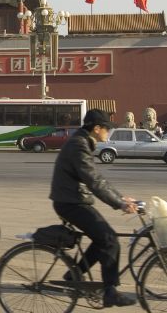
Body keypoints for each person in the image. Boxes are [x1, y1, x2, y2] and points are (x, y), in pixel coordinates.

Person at [51, 109, 138, 307]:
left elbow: (98, 179)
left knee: (102, 239)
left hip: (74, 200)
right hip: (70, 203)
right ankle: (110, 291)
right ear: (96, 128)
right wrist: (120, 204)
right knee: (109, 240)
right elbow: (94, 181)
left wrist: (120, 197)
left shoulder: (83, 142)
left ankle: (74, 274)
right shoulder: (78, 145)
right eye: (106, 128)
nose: (108, 132)